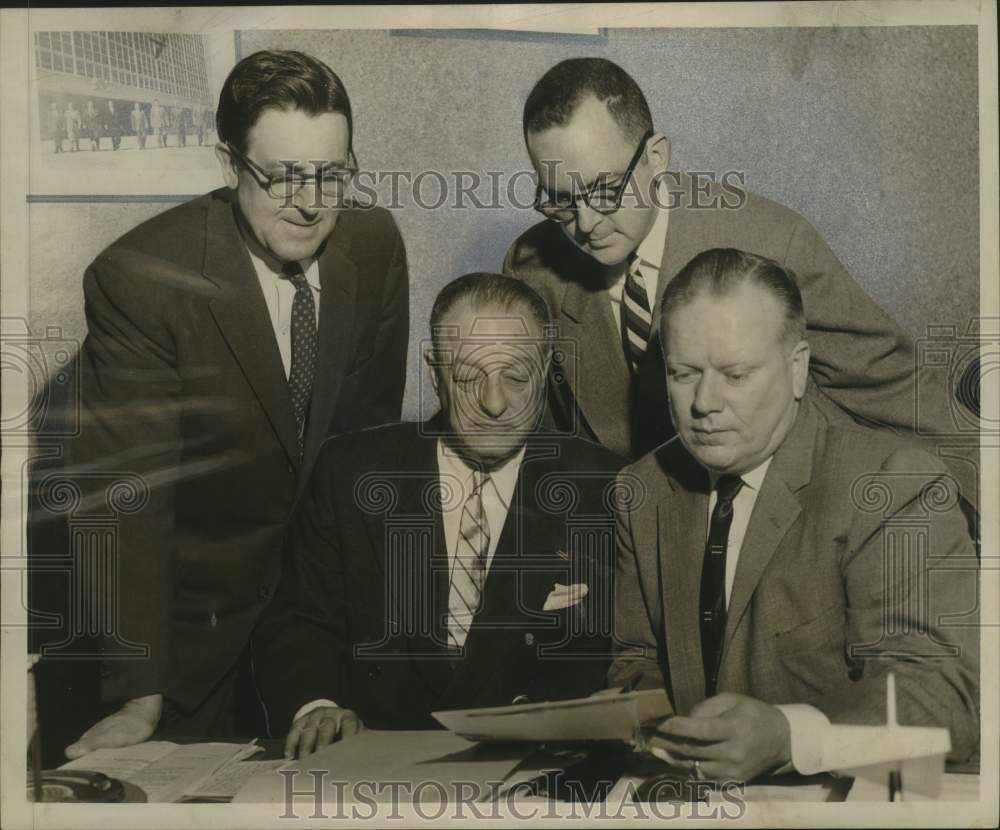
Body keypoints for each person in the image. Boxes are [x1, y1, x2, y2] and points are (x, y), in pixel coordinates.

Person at [62, 49, 409, 757]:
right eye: (282, 175)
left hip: (327, 643)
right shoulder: (143, 279)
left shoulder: (373, 247)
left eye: (333, 173)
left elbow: (366, 455)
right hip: (192, 649)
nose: (312, 202)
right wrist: (140, 691)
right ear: (229, 164)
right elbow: (126, 498)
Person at [503, 57, 977, 513]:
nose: (586, 223)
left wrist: (977, 507)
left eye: (606, 190)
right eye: (561, 200)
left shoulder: (773, 240)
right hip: (631, 531)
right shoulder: (533, 269)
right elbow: (530, 438)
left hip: (784, 517)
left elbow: (893, 387)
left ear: (656, 156)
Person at [610, 248, 979, 782]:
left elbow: (946, 698)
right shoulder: (641, 490)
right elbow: (634, 666)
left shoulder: (894, 484)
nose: (704, 402)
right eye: (683, 372)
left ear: (798, 368)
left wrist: (789, 736)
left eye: (736, 375)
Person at [254, 273, 625, 759]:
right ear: (434, 371)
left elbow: (617, 651)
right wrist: (317, 706)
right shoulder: (350, 471)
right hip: (375, 764)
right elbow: (299, 620)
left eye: (516, 376)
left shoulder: (602, 487)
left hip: (533, 771)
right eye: (470, 375)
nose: (495, 403)